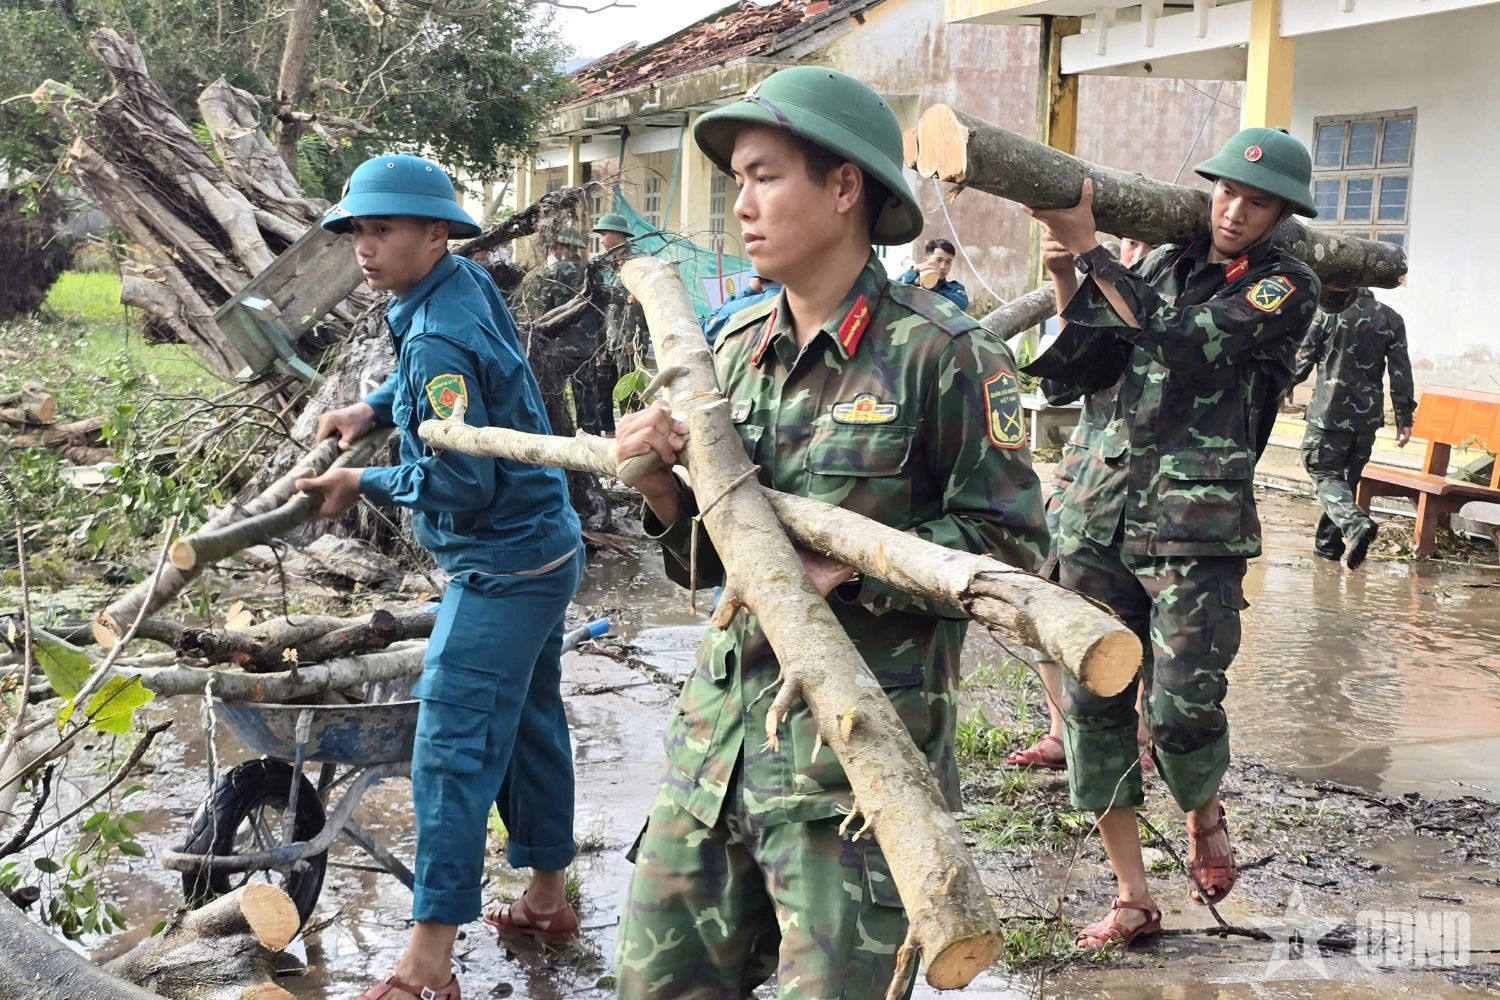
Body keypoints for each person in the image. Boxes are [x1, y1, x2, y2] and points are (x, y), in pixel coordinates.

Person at [610, 65, 1048, 998]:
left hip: (849, 786)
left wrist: (849, 569)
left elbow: (1013, 550)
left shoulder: (945, 356)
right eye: (738, 182)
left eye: (766, 175)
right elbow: (711, 567)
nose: (743, 206)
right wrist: (659, 488)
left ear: (844, 186)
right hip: (713, 759)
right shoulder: (729, 352)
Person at [1021, 127, 1321, 950]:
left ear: (1281, 214)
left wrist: (1095, 257)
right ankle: (1131, 896)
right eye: (1226, 191)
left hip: (1195, 528)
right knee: (1093, 701)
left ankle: (1204, 813)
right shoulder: (1154, 262)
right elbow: (1080, 368)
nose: (1234, 210)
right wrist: (1065, 275)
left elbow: (1186, 344)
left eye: (1256, 202)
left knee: (1186, 703)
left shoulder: (1284, 286)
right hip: (1096, 511)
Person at [296, 153, 585, 1000]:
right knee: (529, 726)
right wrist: (372, 407)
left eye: (384, 229)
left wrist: (364, 482)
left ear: (436, 232)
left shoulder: (435, 334)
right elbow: (437, 389)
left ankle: (426, 965)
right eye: (357, 228)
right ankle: (546, 899)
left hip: (503, 565)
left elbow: (463, 479)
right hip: (545, 544)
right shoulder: (453, 286)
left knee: (452, 747)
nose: (365, 245)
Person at [1006, 234, 1153, 773]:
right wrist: (1064, 278)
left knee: (1132, 612)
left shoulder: (1170, 312)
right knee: (1046, 593)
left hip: (1149, 489)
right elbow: (1065, 382)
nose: (1133, 254)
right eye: (1127, 243)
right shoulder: (1103, 302)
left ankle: (1136, 728)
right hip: (1082, 474)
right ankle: (1061, 727)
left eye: (1143, 243)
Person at [1293, 286, 1415, 568]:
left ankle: (1354, 524)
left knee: (1323, 474)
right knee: (1344, 483)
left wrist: (1278, 391)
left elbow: (1302, 360)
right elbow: (1401, 372)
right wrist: (1404, 418)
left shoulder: (1327, 314)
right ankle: (1327, 550)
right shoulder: (1391, 318)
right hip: (1366, 420)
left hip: (1328, 415)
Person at [526, 226, 613, 434]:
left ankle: (558, 436)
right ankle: (591, 440)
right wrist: (600, 344)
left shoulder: (552, 273)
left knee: (555, 395)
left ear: (561, 247)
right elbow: (601, 311)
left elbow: (542, 314)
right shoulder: (591, 273)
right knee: (586, 396)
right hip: (587, 346)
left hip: (558, 347)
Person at [701, 272, 782, 345]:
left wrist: (749, 290)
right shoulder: (792, 303)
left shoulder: (735, 309)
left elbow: (707, 332)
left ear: (758, 278)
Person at [898, 237, 970, 311]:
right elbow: (892, 291)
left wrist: (930, 287)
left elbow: (961, 306)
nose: (943, 267)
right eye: (938, 260)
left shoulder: (954, 288)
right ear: (926, 261)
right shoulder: (910, 283)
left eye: (948, 262)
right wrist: (913, 271)